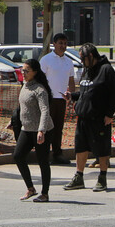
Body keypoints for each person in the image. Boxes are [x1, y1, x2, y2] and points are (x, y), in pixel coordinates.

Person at [64, 43, 115, 192]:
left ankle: (102, 178)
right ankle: (79, 177)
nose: (81, 61)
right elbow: (84, 92)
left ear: (91, 56)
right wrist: (72, 96)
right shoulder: (86, 71)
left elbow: (114, 94)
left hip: (99, 118)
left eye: (83, 58)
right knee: (80, 148)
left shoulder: (106, 70)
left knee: (101, 149)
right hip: (83, 118)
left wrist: (109, 114)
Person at [14, 59, 53, 202]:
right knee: (18, 156)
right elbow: (22, 108)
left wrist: (41, 130)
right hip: (27, 129)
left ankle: (45, 193)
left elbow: (45, 110)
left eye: (26, 71)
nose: (23, 73)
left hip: (41, 130)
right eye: (22, 70)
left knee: (43, 161)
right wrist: (13, 121)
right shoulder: (24, 87)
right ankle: (31, 188)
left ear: (35, 72)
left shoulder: (40, 90)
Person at [39, 32, 77, 165]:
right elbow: (40, 79)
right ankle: (43, 154)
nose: (63, 46)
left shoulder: (68, 62)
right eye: (60, 43)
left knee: (58, 128)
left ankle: (57, 153)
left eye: (65, 43)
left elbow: (71, 81)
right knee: (46, 127)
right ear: (54, 44)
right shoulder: (46, 60)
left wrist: (70, 95)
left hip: (61, 100)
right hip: (48, 99)